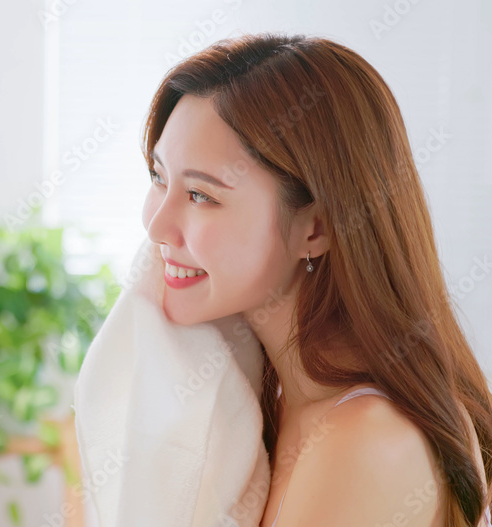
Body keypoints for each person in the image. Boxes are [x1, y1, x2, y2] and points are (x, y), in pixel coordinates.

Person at [140, 32, 492, 526]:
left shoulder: (367, 441)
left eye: (202, 195)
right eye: (158, 177)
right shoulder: (264, 400)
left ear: (317, 228)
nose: (156, 224)